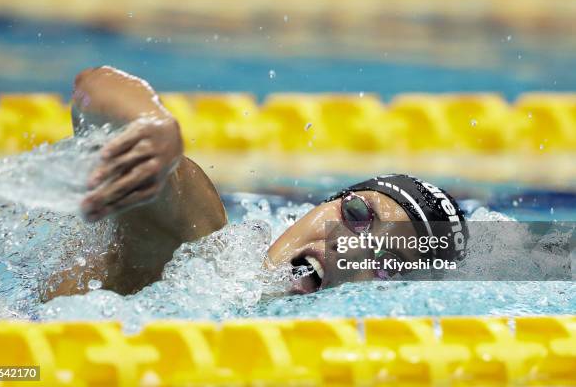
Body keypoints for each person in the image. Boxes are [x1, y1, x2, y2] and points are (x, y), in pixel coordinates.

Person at [44, 66, 468, 300]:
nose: (347, 245)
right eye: (357, 215)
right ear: (323, 204)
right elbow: (94, 89)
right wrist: (151, 125)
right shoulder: (198, 250)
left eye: (384, 264)